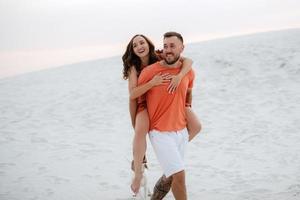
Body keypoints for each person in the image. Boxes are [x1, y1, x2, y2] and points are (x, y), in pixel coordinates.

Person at [122, 34, 201, 196]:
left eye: (142, 42)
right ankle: (138, 171)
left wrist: (180, 79)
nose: (139, 47)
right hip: (142, 102)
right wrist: (152, 83)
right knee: (139, 131)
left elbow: (188, 61)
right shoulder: (134, 67)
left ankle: (167, 155)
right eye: (135, 45)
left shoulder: (160, 54)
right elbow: (132, 96)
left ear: (148, 44)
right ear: (132, 50)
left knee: (197, 126)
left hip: (169, 104)